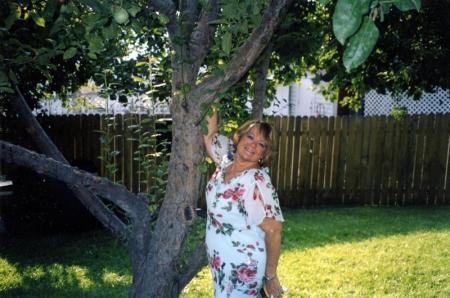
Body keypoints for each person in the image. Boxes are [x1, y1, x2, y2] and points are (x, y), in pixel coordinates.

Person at [203, 111, 285, 298]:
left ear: (264, 153)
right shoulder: (226, 162)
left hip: (243, 268)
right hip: (222, 264)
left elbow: (274, 230)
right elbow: (209, 134)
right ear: (239, 137)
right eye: (250, 136)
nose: (253, 145)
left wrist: (271, 276)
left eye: (261, 144)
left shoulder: (256, 181)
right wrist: (212, 88)